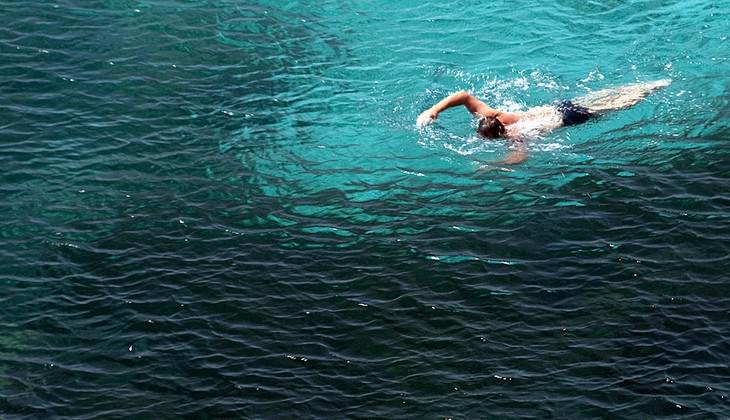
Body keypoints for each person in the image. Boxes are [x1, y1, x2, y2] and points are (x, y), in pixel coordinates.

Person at [416, 79, 671, 164]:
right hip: (561, 105)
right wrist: (433, 110)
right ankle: (647, 85)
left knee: (622, 103)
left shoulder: (514, 134)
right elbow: (464, 96)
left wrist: (492, 166)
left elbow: (520, 157)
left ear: (498, 134)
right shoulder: (495, 114)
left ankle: (653, 88)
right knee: (610, 96)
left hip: (571, 117)